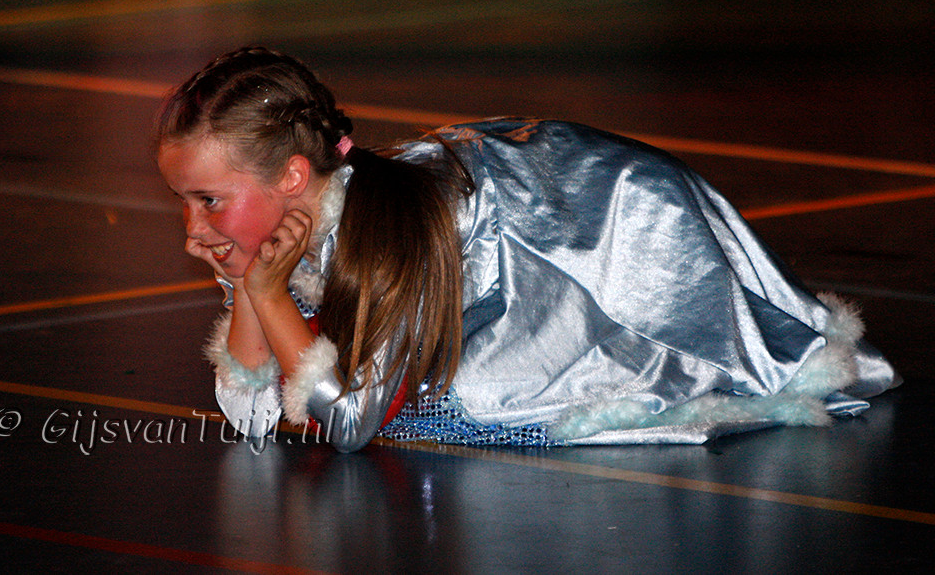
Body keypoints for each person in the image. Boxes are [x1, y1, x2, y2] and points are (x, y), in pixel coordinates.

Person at [156, 46, 900, 453]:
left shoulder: (388, 235)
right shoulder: (282, 234)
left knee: (676, 364)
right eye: (185, 201)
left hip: (617, 227)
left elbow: (350, 422)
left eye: (208, 199)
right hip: (540, 201)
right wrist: (250, 285)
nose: (193, 228)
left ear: (293, 177)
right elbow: (253, 416)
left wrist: (266, 293)